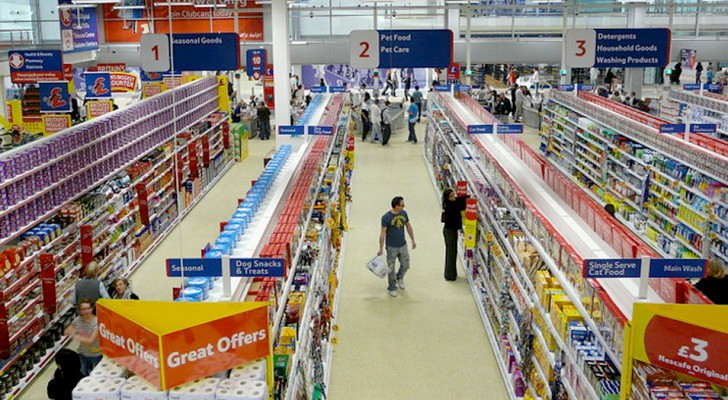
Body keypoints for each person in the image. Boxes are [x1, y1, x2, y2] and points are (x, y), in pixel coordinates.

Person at [378, 196, 416, 297]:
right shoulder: (386, 217)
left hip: (403, 245)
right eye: (402, 205)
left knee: (406, 264)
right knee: (391, 268)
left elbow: (408, 226)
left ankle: (399, 277)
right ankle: (392, 287)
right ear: (396, 206)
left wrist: (413, 239)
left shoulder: (404, 213)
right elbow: (383, 233)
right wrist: (381, 248)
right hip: (391, 247)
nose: (404, 206)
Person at [65, 298, 101, 376]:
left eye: (88, 308)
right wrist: (70, 330)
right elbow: (67, 331)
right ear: (80, 311)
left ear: (92, 308)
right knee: (82, 374)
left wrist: (75, 336)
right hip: (83, 353)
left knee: (98, 375)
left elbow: (90, 341)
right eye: (83, 309)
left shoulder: (97, 322)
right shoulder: (78, 320)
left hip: (96, 354)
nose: (86, 311)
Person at [441, 188, 468, 281]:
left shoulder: (451, 203)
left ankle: (452, 273)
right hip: (449, 232)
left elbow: (459, 200)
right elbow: (459, 205)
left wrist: (468, 197)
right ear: (447, 198)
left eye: (454, 195)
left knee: (452, 252)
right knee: (451, 253)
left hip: (451, 231)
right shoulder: (450, 206)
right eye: (452, 196)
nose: (454, 197)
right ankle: (449, 275)